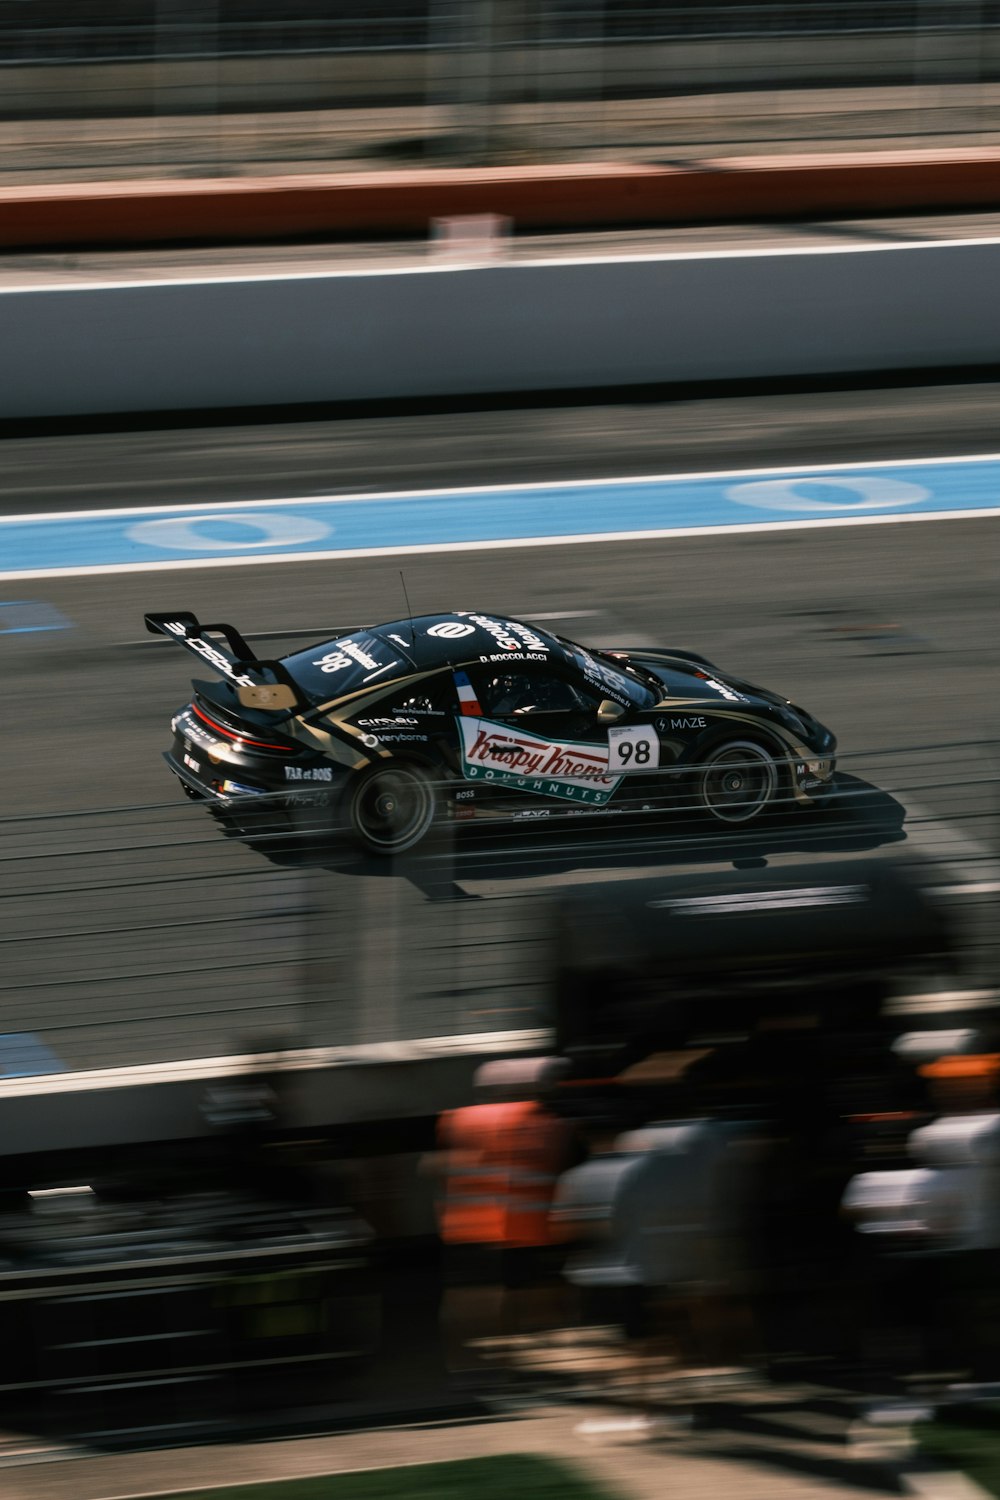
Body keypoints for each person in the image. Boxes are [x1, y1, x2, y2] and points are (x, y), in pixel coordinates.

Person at [428, 1056, 582, 1385]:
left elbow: (440, 1168)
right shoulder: (540, 1119)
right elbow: (559, 1170)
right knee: (518, 1296)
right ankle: (512, 1366)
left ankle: (461, 1363)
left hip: (464, 1225)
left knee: (467, 1297)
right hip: (522, 1227)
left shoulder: (458, 1119)